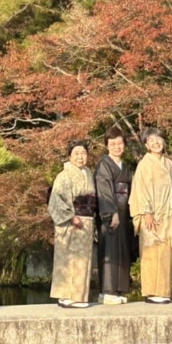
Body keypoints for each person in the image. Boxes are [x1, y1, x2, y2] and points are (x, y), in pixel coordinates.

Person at [129, 128, 172, 303]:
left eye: (158, 139)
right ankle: (151, 291)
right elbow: (140, 189)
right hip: (150, 215)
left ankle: (163, 291)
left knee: (165, 254)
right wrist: (146, 212)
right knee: (151, 252)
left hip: (167, 214)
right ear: (146, 145)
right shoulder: (144, 164)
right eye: (151, 140)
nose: (156, 143)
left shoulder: (170, 164)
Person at [48, 140, 98, 309]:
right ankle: (67, 296)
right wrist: (70, 216)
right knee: (70, 259)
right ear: (69, 156)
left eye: (83, 153)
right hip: (72, 222)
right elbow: (56, 200)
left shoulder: (88, 173)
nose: (80, 157)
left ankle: (78, 296)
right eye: (76, 153)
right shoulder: (64, 176)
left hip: (87, 221)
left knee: (83, 260)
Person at [94, 126, 136, 305]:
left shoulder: (125, 167)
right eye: (113, 144)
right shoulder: (104, 165)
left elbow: (132, 190)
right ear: (107, 146)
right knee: (110, 250)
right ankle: (107, 290)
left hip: (125, 210)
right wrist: (112, 213)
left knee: (122, 250)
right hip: (110, 213)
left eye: (120, 143)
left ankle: (118, 289)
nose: (117, 147)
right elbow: (104, 192)